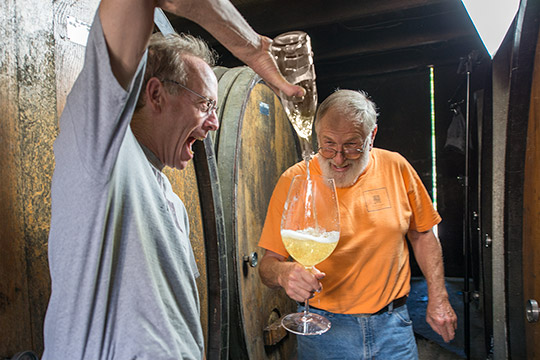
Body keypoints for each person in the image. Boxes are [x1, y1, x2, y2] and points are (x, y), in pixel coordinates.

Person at [42, 0, 304, 359]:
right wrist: (254, 49)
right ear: (155, 94)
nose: (213, 123)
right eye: (205, 105)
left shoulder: (170, 200)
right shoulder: (101, 151)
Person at [258, 89, 458, 359]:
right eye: (328, 144)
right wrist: (284, 274)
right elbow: (267, 266)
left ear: (372, 135)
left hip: (393, 327)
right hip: (323, 332)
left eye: (352, 145)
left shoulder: (396, 166)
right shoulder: (294, 180)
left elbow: (423, 235)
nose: (338, 158)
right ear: (317, 135)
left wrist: (439, 296)